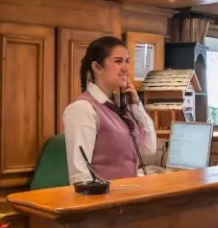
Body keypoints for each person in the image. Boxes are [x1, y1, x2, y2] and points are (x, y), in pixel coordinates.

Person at [63, 36, 156, 183]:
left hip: (129, 192)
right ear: (97, 67)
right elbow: (80, 175)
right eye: (118, 61)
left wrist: (136, 104)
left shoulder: (121, 107)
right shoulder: (82, 109)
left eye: (127, 61)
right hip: (104, 196)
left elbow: (149, 148)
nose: (126, 68)